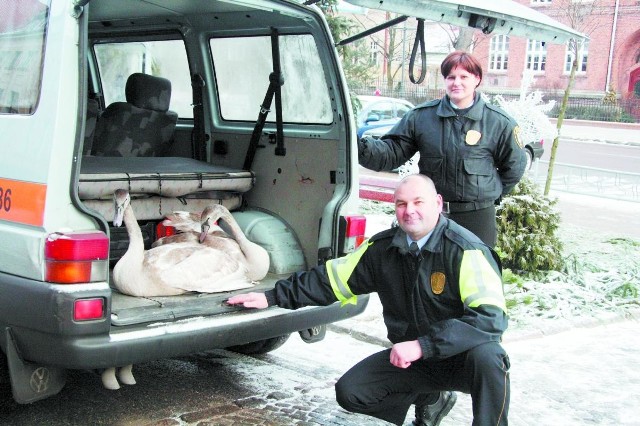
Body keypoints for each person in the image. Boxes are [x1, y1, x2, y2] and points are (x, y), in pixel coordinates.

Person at [227, 174, 510, 426]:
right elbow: (331, 280)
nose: (409, 211)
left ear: (437, 203)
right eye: (401, 204)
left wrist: (423, 346)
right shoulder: (383, 249)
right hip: (411, 361)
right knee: (352, 391)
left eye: (418, 202)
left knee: (489, 357)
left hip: (460, 360)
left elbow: (489, 318)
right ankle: (430, 399)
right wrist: (273, 296)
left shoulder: (466, 250)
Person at [358, 51, 526, 247]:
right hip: (432, 216)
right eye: (451, 77)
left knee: (476, 273)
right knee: (427, 274)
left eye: (464, 77)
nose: (457, 83)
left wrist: (485, 194)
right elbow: (391, 153)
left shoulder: (498, 123)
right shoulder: (421, 117)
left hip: (477, 218)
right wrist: (358, 146)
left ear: (477, 79)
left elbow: (514, 168)